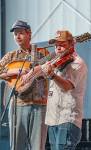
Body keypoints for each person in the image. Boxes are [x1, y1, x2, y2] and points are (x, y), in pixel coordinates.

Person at [23, 30, 88, 150]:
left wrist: (52, 75)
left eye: (62, 44)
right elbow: (39, 68)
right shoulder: (54, 60)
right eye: (56, 44)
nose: (58, 47)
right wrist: (28, 75)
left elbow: (67, 86)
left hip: (67, 118)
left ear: (71, 44)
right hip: (53, 119)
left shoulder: (77, 63)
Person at [0, 20, 48, 150]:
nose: (17, 36)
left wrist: (38, 70)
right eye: (15, 34)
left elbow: (51, 71)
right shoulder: (11, 56)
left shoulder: (42, 54)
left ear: (29, 34)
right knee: (17, 146)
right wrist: (15, 71)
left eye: (20, 33)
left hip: (39, 105)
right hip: (17, 104)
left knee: (37, 146)